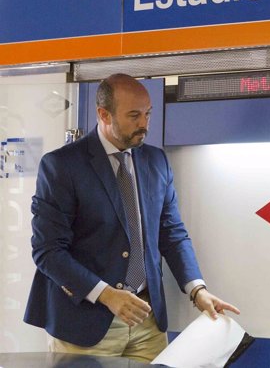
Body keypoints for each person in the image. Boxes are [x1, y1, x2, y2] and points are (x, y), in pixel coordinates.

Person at [24, 73, 239, 362]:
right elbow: (48, 251)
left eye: (148, 114)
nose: (144, 124)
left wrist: (196, 289)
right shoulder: (62, 166)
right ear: (104, 114)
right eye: (134, 115)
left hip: (147, 322)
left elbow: (171, 232)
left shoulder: (156, 160)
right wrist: (107, 294)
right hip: (85, 325)